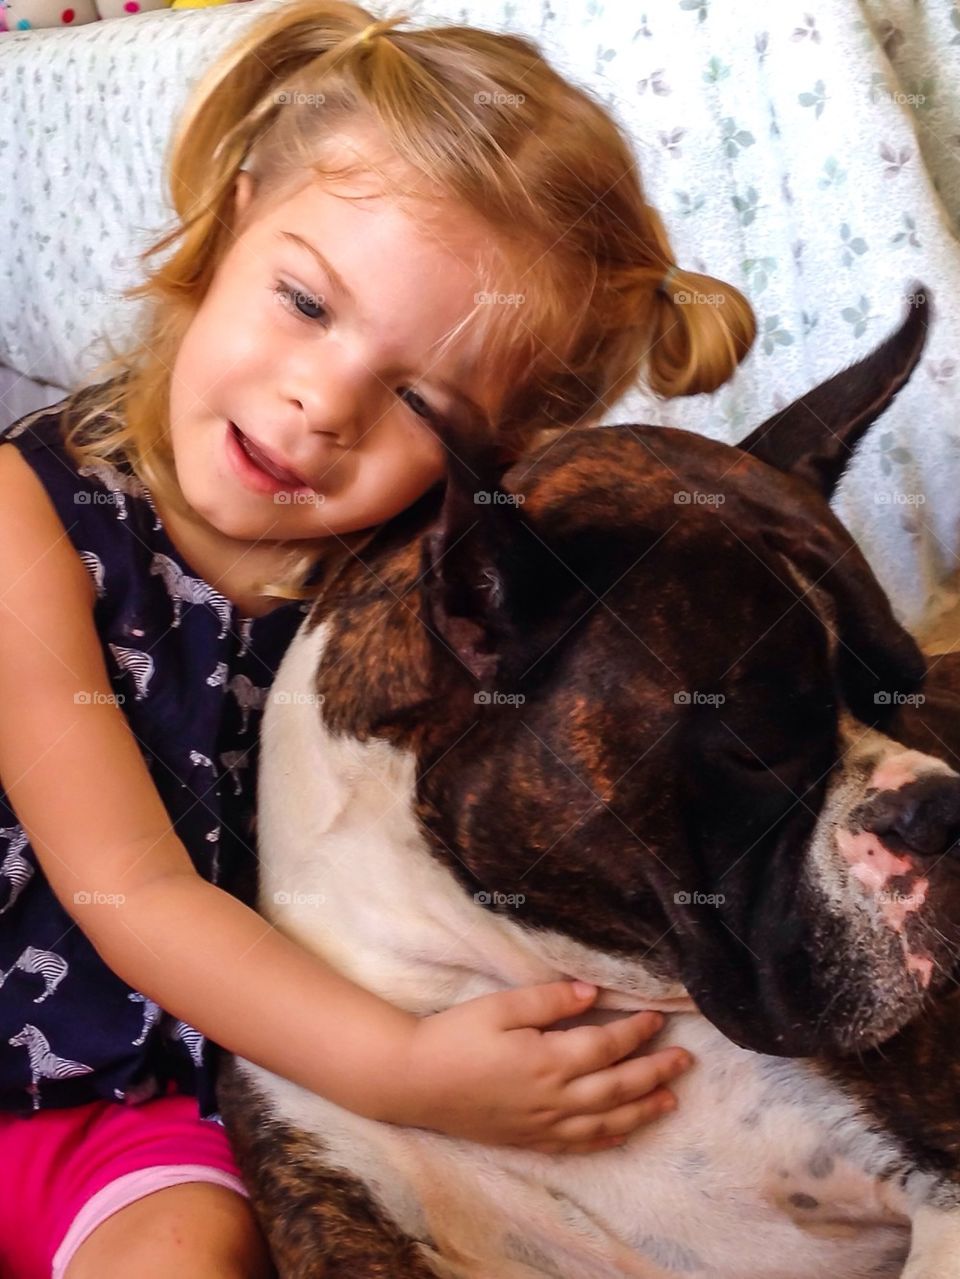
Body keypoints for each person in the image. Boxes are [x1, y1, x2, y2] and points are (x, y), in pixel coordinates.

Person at [0, 2, 757, 1276]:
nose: (322, 401)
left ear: (495, 451)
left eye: (422, 401)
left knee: (197, 1251)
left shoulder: (407, 605)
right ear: (234, 218)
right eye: (304, 301)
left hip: (136, 1109)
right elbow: (129, 888)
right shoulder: (25, 518)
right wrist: (402, 1070)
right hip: (131, 992)